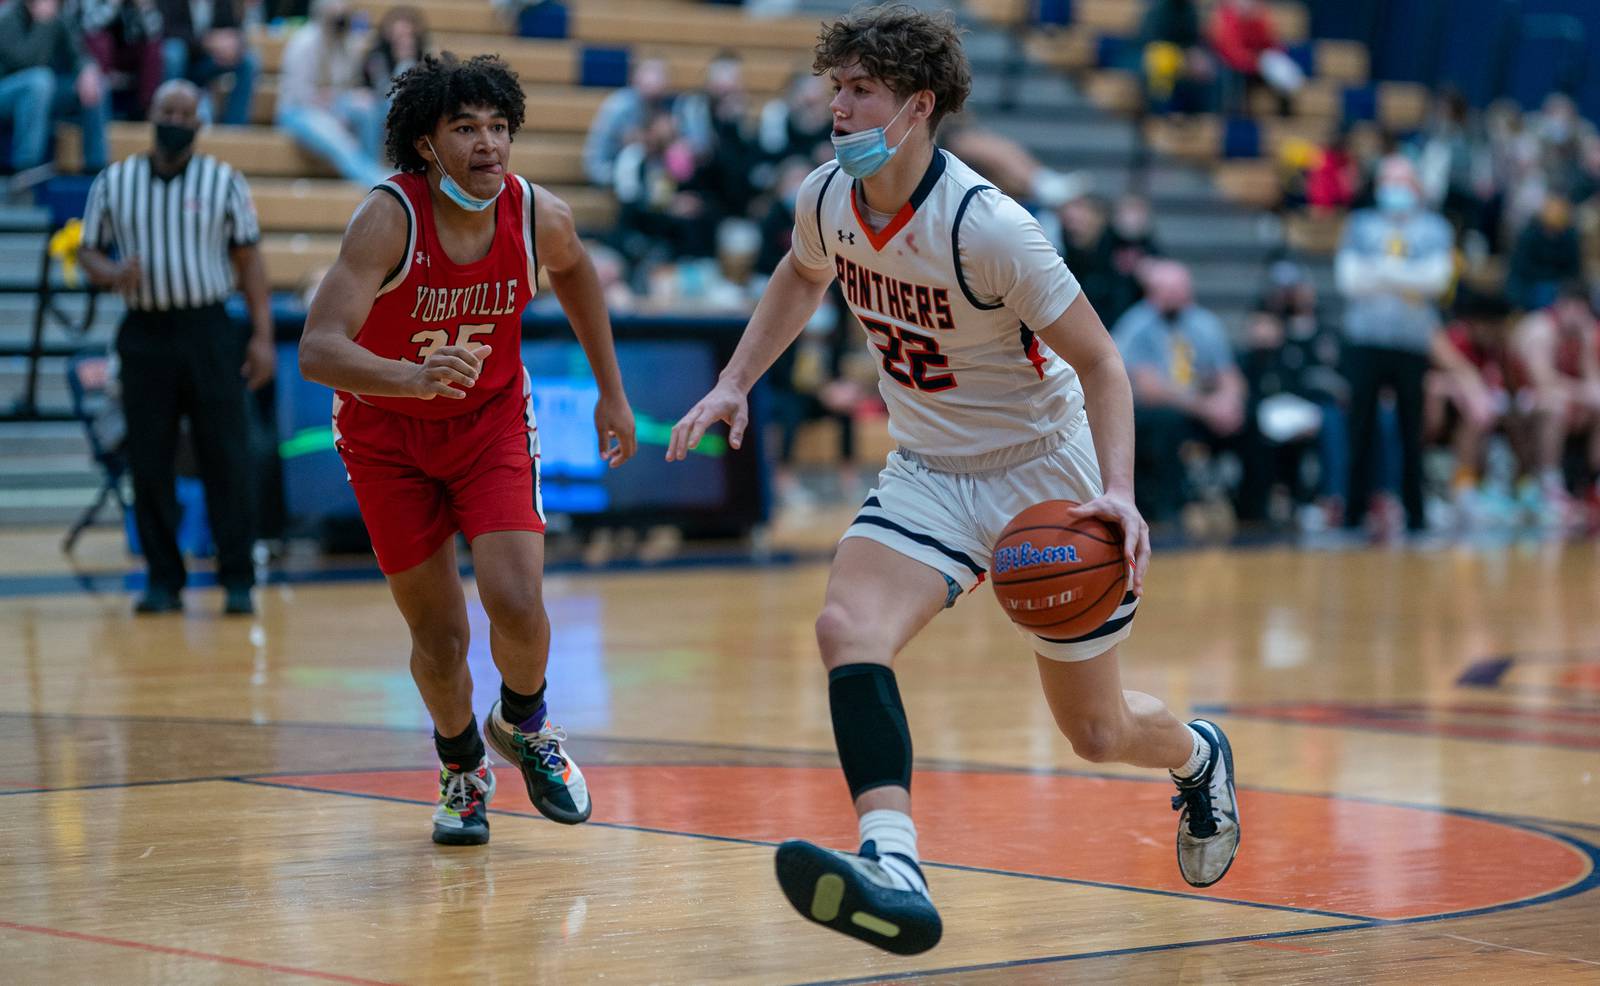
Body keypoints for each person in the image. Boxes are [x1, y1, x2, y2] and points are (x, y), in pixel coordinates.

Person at [666, 5, 1239, 955]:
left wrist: (1122, 493)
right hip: (929, 467)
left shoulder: (990, 227)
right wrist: (734, 382)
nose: (839, 109)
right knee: (846, 627)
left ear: (917, 105)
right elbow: (801, 277)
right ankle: (893, 862)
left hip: (1043, 472)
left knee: (1095, 734)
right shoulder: (825, 198)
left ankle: (1198, 755)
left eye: (862, 92)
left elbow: (1102, 363)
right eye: (835, 89)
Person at [298, 53, 637, 846]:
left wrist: (612, 394)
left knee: (517, 602)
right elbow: (317, 349)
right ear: (426, 143)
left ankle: (524, 723)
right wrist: (409, 378)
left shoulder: (535, 213)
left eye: (498, 128)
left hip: (488, 426)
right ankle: (460, 770)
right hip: (386, 439)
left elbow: (578, 273)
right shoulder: (388, 218)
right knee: (441, 639)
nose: (488, 145)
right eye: (465, 129)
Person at [77, 80, 274, 615]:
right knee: (150, 459)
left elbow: (249, 261)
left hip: (209, 330)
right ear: (151, 113)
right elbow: (87, 253)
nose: (175, 119)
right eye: (167, 109)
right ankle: (163, 580)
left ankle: (236, 579)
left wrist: (261, 335)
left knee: (226, 455)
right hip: (144, 334)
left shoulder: (224, 181)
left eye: (186, 113)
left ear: (198, 124)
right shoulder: (115, 181)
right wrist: (112, 272)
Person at [1336, 155, 1454, 536]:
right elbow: (1349, 281)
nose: (1394, 189)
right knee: (1361, 428)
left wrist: (1381, 273)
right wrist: (1407, 279)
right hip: (1364, 341)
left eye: (1402, 181)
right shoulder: (1360, 224)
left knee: (1411, 431)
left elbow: (1436, 280)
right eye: (1388, 180)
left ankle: (1415, 515)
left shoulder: (1435, 228)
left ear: (1416, 187)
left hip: (1412, 345)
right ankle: (1354, 514)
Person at [1112, 260, 1251, 524]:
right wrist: (1207, 407)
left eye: (1180, 290)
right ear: (1152, 292)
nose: (1176, 297)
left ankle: (1253, 510)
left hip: (1200, 408)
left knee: (1252, 417)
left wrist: (1229, 401)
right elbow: (1150, 390)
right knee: (1167, 422)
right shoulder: (1136, 326)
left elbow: (1229, 373)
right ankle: (1169, 512)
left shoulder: (1205, 324)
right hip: (1154, 413)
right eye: (1169, 291)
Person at [1507, 283, 1600, 520]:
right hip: (1516, 401)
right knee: (1555, 405)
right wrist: (1586, 394)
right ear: (1562, 305)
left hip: (1561, 400)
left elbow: (1593, 382)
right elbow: (1543, 381)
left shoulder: (1584, 333)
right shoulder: (1540, 329)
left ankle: (1594, 481)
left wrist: (1588, 346)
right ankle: (1550, 485)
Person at [274, 0, 386, 187]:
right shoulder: (304, 42)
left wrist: (345, 102)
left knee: (366, 108)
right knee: (336, 135)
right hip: (297, 111)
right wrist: (333, 108)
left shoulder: (346, 42)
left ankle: (371, 168)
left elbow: (345, 86)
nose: (339, 20)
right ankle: (377, 182)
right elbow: (298, 95)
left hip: (331, 105)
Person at [0, 0, 110, 176]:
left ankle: (96, 169)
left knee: (94, 82)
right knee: (40, 81)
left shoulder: (59, 15)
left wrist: (87, 69)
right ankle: (26, 169)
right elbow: (25, 61)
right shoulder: (7, 17)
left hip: (43, 91)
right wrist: (43, 25)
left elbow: (79, 52)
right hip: (6, 91)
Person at [159, 0, 259, 125]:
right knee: (174, 52)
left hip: (209, 61)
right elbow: (167, 31)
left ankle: (234, 127)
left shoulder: (223, 3)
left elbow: (233, 30)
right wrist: (207, 42)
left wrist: (232, 45)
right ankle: (167, 119)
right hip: (182, 60)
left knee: (247, 61)